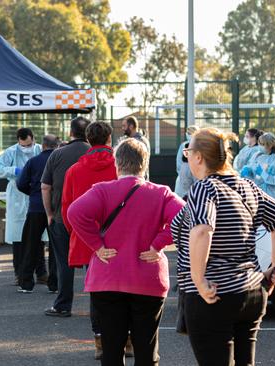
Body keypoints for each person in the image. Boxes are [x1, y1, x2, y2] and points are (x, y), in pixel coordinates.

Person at [173, 127, 275, 366]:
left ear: (198, 157)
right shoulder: (246, 186)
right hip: (250, 292)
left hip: (214, 295)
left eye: (188, 151)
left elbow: (202, 230)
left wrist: (198, 280)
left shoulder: (204, 188)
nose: (187, 156)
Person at [68, 138, 184, 366]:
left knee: (111, 349)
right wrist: (158, 243)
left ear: (116, 163)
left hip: (108, 277)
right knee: (146, 349)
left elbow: (74, 212)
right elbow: (186, 217)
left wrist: (97, 245)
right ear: (145, 164)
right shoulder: (161, 193)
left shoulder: (102, 191)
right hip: (147, 279)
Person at [61, 121, 118, 359]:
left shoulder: (74, 170)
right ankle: (124, 340)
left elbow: (67, 208)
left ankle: (100, 341)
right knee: (121, 289)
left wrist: (77, 232)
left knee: (97, 291)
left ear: (88, 139)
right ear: (109, 140)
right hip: (119, 237)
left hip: (88, 239)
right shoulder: (120, 166)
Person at [41, 116, 91, 317]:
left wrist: (50, 214)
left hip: (63, 216)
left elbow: (45, 187)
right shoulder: (99, 154)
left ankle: (63, 304)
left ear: (70, 132)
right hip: (93, 218)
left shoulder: (57, 154)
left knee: (64, 262)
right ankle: (98, 305)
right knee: (94, 261)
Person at [0, 128, 42, 284]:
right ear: (18, 142)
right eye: (23, 146)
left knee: (38, 236)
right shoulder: (11, 152)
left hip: (35, 193)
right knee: (18, 238)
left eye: (28, 145)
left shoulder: (40, 149)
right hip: (17, 196)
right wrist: (13, 170)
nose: (26, 149)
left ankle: (41, 273)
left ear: (33, 139)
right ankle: (19, 274)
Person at [16, 134, 59, 294]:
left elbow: (20, 183)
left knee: (30, 245)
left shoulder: (32, 161)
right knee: (56, 247)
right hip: (55, 209)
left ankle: (26, 283)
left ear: (42, 146)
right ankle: (55, 283)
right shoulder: (59, 161)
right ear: (57, 145)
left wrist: (33, 193)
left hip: (35, 207)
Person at [241, 132, 275, 202]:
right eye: (259, 143)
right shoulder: (256, 156)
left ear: (270, 145)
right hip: (257, 195)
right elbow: (254, 178)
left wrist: (263, 173)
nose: (260, 146)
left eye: (262, 144)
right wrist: (248, 172)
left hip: (272, 196)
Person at [174, 126, 199, 199]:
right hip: (185, 179)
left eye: (189, 133)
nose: (188, 134)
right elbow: (179, 163)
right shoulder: (183, 145)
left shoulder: (185, 145)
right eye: (188, 133)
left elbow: (179, 164)